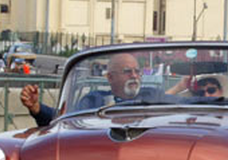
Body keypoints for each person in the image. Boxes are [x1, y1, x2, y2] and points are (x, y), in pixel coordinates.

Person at [21, 53, 153, 126]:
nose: (134, 76)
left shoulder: (153, 96)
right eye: (127, 71)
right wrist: (37, 108)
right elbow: (65, 120)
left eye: (137, 71)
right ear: (110, 77)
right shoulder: (94, 100)